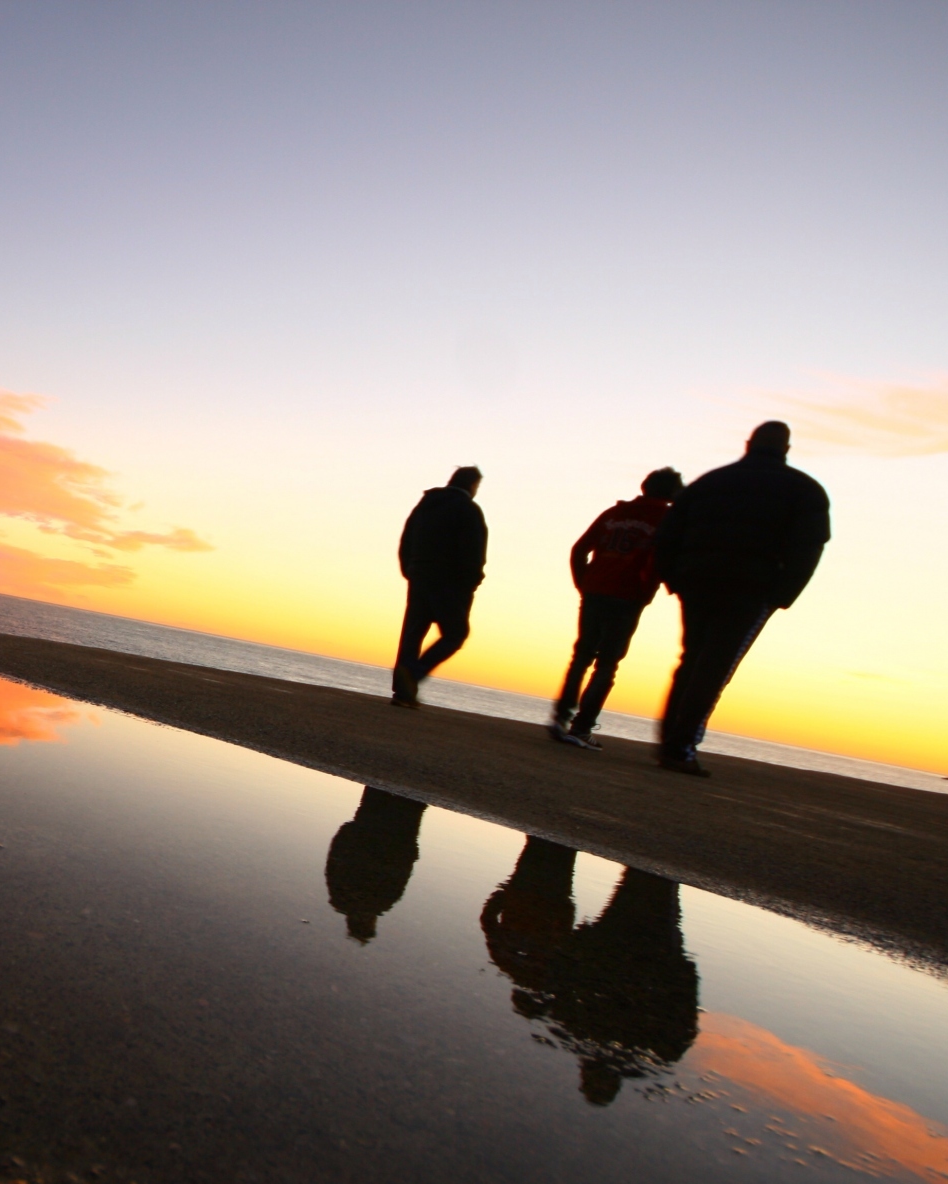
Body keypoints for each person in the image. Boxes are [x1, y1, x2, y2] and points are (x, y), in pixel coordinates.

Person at [653, 421, 830, 776]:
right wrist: (781, 595)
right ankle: (680, 746)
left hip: (698, 580)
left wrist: (674, 578)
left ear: (750, 443)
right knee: (715, 666)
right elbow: (809, 547)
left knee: (693, 659)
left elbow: (668, 533)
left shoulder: (710, 481)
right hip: (751, 589)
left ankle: (672, 739)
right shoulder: (805, 490)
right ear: (786, 449)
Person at [480, 838, 699, 1106]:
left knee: (649, 894)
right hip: (632, 957)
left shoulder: (583, 1037)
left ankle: (659, 847)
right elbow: (682, 1025)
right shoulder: (588, 1038)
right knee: (649, 895)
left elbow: (683, 1025)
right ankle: (660, 846)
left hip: (627, 955)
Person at [548, 467, 685, 749]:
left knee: (582, 655)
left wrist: (583, 582)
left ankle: (561, 716)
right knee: (607, 664)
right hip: (627, 596)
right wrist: (652, 589)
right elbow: (662, 560)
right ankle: (581, 727)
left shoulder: (614, 514)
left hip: (596, 590)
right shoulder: (667, 519)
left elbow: (579, 550)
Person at [391, 465, 486, 708]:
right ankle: (414, 673)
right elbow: (474, 552)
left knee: (413, 632)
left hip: (420, 575)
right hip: (449, 583)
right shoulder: (469, 510)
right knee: (456, 633)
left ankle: (403, 691)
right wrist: (471, 584)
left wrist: (409, 569)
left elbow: (407, 538)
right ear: (472, 485)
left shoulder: (426, 505)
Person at [324, 786, 428, 943]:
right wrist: (345, 832)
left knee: (413, 788)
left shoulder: (378, 902)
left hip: (396, 835)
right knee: (381, 787)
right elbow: (334, 862)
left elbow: (401, 873)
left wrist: (411, 850)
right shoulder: (341, 896)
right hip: (371, 829)